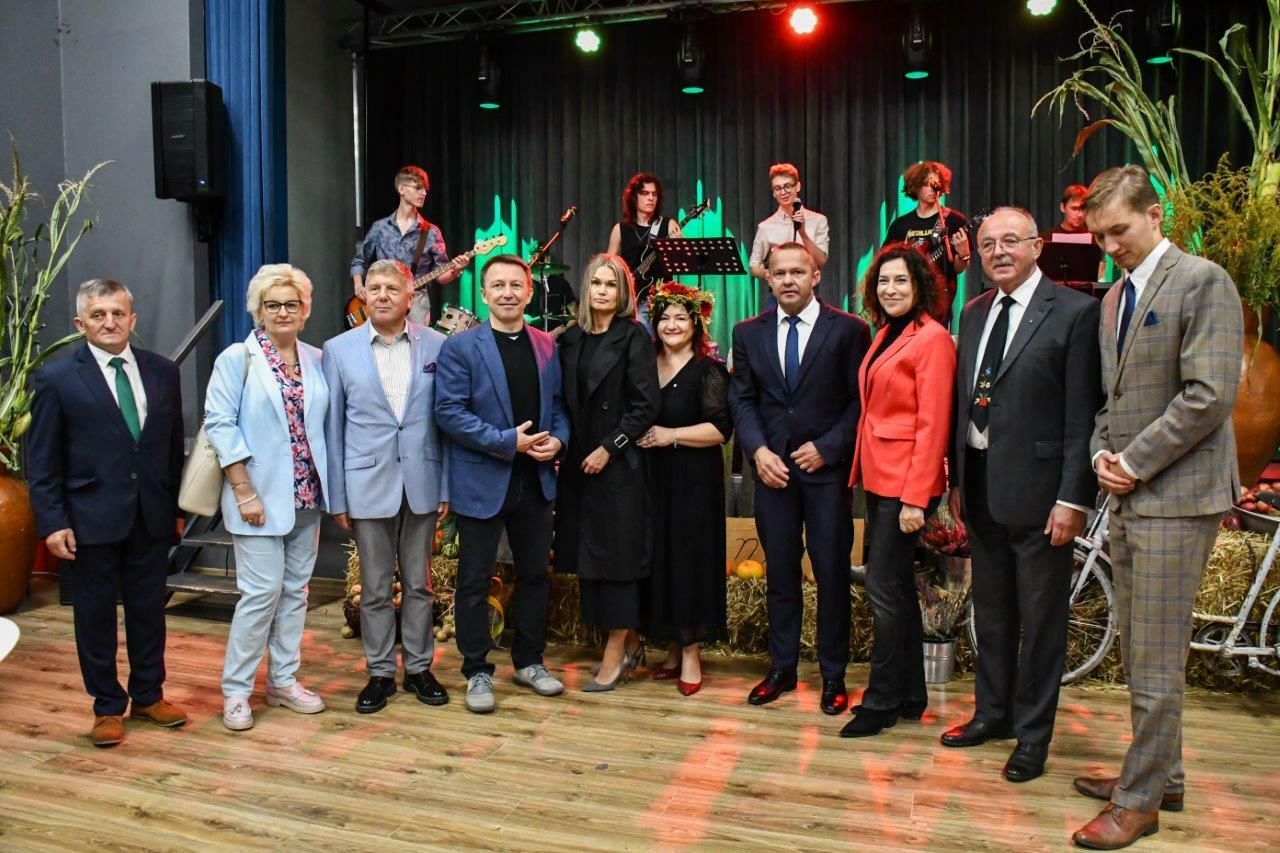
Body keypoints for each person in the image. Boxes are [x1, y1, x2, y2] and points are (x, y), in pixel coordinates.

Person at [1071, 167, 1243, 850]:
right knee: (1140, 647)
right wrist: (1099, 455)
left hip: (1178, 495)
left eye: (1119, 230)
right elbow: (1110, 400)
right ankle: (1162, 776)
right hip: (1130, 491)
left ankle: (1139, 801)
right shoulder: (1114, 297)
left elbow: (1209, 395)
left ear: (1154, 214)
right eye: (1098, 236)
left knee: (1157, 655)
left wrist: (1134, 461)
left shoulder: (1203, 281)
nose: (1109, 245)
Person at [941, 208, 1101, 783]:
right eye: (988, 244)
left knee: (1041, 622)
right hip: (981, 487)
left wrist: (1073, 499)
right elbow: (966, 402)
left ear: (1037, 246)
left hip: (1042, 497)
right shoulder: (974, 311)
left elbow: (1083, 415)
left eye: (1011, 240)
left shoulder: (1076, 312)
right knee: (992, 614)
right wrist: (956, 481)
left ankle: (1033, 736)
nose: (998, 251)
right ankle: (992, 714)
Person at [27, 279, 187, 747]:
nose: (110, 322)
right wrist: (52, 521)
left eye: (118, 313)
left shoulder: (163, 372)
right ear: (80, 324)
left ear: (132, 320)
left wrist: (175, 509)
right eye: (98, 315)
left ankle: (149, 695)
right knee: (95, 616)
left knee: (148, 611)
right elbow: (42, 458)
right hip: (88, 518)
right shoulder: (57, 377)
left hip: (151, 515)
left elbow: (171, 447)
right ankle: (106, 706)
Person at [728, 242, 870, 714]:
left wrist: (829, 447)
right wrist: (758, 450)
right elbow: (742, 400)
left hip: (827, 474)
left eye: (797, 272)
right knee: (781, 574)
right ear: (767, 278)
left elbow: (860, 401)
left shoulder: (849, 330)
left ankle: (833, 675)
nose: (788, 280)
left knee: (831, 575)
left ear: (815, 276)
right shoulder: (747, 332)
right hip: (773, 474)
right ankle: (782, 668)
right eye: (779, 272)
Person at [434, 254, 570, 714]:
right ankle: (476, 669)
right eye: (498, 285)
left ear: (529, 292)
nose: (507, 292)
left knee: (535, 576)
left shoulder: (546, 345)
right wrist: (507, 442)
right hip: (482, 481)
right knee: (474, 581)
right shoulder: (461, 347)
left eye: (516, 285)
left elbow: (559, 406)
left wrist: (560, 442)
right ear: (484, 293)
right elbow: (449, 412)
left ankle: (529, 661)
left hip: (535, 482)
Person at [204, 264, 330, 731]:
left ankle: (283, 681)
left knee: (295, 593)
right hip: (255, 497)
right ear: (258, 310)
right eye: (272, 304)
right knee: (259, 596)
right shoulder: (237, 358)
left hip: (306, 495)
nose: (282, 312)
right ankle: (236, 691)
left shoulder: (316, 358)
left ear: (305, 309)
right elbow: (219, 425)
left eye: (291, 304)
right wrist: (243, 490)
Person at [324, 259, 451, 714]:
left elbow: (445, 423)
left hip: (423, 482)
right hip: (366, 484)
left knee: (419, 584)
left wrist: (445, 486)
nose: (381, 295)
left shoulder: (437, 345)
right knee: (375, 587)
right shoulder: (338, 350)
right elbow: (333, 428)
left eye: (391, 288)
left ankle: (418, 669)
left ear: (410, 297)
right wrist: (338, 496)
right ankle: (379, 672)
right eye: (374, 288)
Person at [840, 245, 956, 738]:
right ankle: (911, 693)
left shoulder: (932, 339)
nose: (890, 289)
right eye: (883, 281)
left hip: (907, 483)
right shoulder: (888, 332)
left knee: (883, 589)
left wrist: (915, 498)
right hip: (881, 475)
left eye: (901, 281)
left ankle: (882, 699)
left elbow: (933, 424)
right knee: (897, 588)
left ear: (920, 286)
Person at [556, 254, 661, 692]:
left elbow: (645, 406)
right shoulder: (570, 338)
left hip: (619, 467)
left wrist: (609, 448)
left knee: (618, 564)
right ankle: (631, 643)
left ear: (623, 294)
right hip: (578, 466)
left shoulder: (634, 336)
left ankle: (615, 655)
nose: (602, 291)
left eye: (611, 284)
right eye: (596, 283)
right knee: (590, 565)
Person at [636, 282, 732, 696]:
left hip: (694, 482)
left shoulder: (709, 370)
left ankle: (691, 652)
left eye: (680, 318)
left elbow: (720, 430)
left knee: (689, 561)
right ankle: (673, 647)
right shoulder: (644, 365)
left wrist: (670, 435)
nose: (671, 325)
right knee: (661, 559)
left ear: (696, 324)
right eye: (664, 318)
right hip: (652, 479)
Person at [351, 165, 459, 326]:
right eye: (418, 188)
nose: (423, 193)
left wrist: (455, 270)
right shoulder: (380, 227)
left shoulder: (431, 232)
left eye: (425, 190)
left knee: (415, 341)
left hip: (415, 303)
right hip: (382, 299)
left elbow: (441, 275)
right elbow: (359, 261)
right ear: (401, 189)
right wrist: (358, 285)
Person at [884, 161, 971, 329]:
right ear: (915, 187)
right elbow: (886, 260)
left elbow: (958, 269)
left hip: (938, 300)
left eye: (936, 184)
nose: (933, 189)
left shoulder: (953, 220)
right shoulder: (900, 225)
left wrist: (964, 254)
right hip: (906, 297)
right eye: (927, 184)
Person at [748, 164, 831, 304]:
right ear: (773, 193)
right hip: (777, 298)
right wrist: (776, 274)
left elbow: (821, 261)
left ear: (797, 186)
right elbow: (754, 266)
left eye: (788, 186)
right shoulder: (766, 226)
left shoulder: (818, 220)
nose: (783, 192)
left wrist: (803, 233)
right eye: (777, 188)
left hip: (807, 295)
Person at [606, 173, 684, 307]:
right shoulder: (620, 229)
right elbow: (608, 267)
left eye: (654, 194)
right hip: (629, 298)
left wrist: (678, 247)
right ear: (634, 197)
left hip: (659, 299)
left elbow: (679, 263)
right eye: (645, 193)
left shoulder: (668, 225)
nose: (651, 198)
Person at [1040, 184, 1107, 282]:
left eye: (1083, 208)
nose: (1080, 214)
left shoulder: (1096, 238)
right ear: (1063, 207)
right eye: (1074, 209)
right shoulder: (1045, 238)